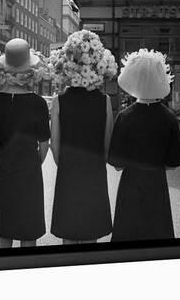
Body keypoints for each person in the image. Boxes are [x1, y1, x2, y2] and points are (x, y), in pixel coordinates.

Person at [108, 49, 180, 241]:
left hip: (130, 184)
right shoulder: (168, 117)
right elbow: (175, 160)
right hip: (156, 183)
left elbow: (116, 161)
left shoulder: (124, 117)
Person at [48, 30, 117, 244]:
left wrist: (66, 163)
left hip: (69, 168)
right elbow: (108, 141)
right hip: (94, 169)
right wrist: (98, 161)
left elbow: (54, 144)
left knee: (69, 233)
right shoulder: (104, 100)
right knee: (90, 232)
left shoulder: (59, 100)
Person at [0, 38, 51, 248]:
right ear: (30, 70)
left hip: (3, 170)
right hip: (29, 170)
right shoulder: (38, 103)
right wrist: (34, 162)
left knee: (4, 229)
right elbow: (44, 144)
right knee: (28, 230)